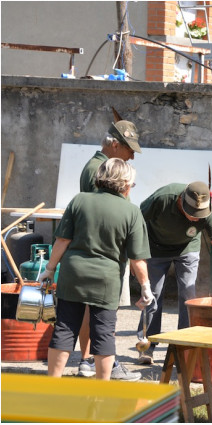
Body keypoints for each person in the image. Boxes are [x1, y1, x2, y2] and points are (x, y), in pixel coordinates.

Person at [39, 158, 154, 380]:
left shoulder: (79, 200)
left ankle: (51, 387)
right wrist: (145, 286)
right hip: (106, 280)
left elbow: (62, 240)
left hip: (73, 274)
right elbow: (137, 258)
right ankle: (100, 393)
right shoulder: (131, 212)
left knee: (64, 328)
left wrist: (50, 269)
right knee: (103, 334)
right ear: (125, 184)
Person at [136, 181, 212, 364]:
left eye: (200, 215)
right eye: (192, 214)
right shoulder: (162, 199)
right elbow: (135, 223)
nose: (196, 218)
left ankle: (183, 345)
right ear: (181, 201)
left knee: (188, 294)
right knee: (153, 294)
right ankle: (147, 345)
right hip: (155, 247)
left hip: (187, 248)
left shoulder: (209, 212)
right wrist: (136, 258)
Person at [76, 119, 143, 380]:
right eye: (129, 149)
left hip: (99, 253)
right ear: (114, 144)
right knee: (104, 312)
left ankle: (89, 361)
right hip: (106, 254)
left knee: (91, 309)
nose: (132, 155)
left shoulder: (96, 166)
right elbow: (106, 213)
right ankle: (102, 362)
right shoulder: (100, 168)